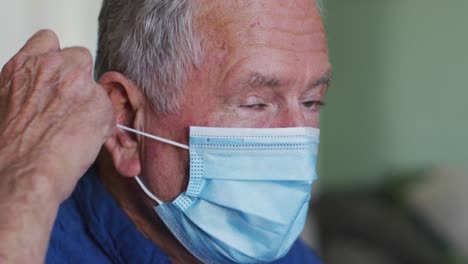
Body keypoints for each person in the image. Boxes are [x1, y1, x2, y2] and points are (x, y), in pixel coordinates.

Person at [0, 0, 330, 263]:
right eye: (256, 104)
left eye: (312, 102)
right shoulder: (28, 233)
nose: (298, 141)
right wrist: (30, 182)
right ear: (127, 124)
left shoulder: (291, 257)